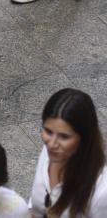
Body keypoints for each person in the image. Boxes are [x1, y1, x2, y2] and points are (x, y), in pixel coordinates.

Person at [27, 88, 107, 217]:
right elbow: (34, 205)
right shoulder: (49, 152)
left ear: (84, 139)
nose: (51, 144)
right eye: (48, 131)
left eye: (64, 137)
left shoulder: (102, 190)